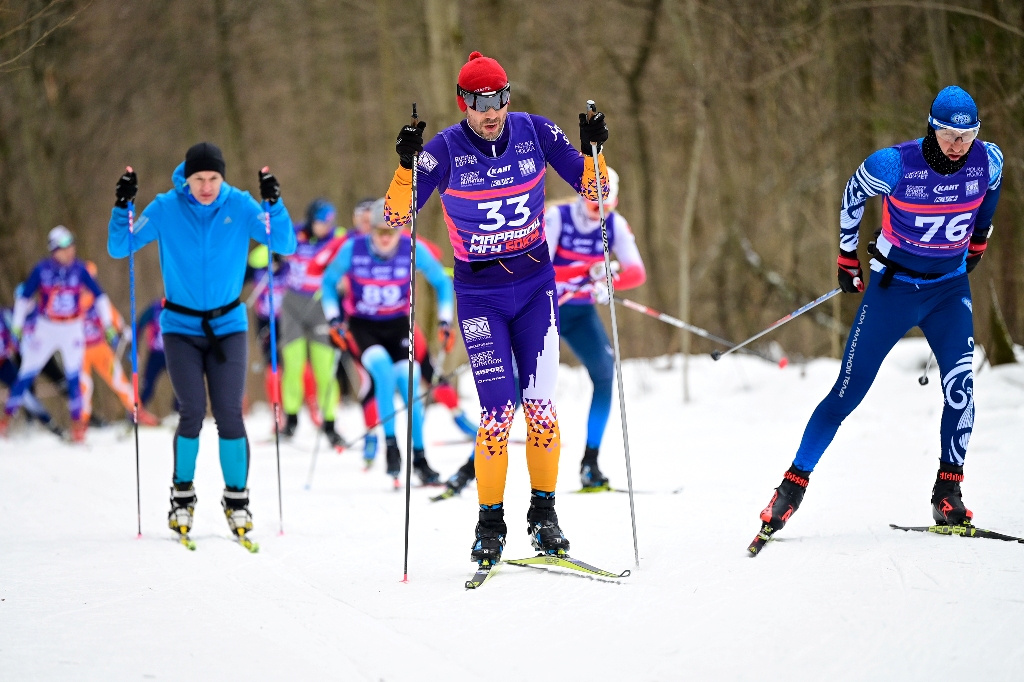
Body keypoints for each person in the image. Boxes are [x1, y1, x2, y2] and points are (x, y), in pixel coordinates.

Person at [383, 51, 611, 567]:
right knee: (496, 414)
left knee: (541, 408)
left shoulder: (535, 131)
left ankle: (544, 516)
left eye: (501, 99)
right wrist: (404, 166)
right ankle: (490, 523)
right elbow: (398, 217)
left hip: (535, 289)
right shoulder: (443, 149)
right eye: (482, 102)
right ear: (463, 102)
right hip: (481, 296)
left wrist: (596, 150)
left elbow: (594, 188)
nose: (493, 112)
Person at [752, 86, 1003, 552]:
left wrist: (980, 237)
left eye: (967, 135)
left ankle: (947, 492)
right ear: (932, 126)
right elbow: (851, 196)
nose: (958, 145)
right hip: (893, 291)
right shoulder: (893, 165)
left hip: (948, 291)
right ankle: (791, 487)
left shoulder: (987, 160)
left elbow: (990, 193)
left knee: (961, 387)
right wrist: (848, 257)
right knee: (847, 392)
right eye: (949, 134)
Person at [107, 142, 296, 546]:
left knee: (229, 413)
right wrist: (121, 205)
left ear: (222, 178)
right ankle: (182, 495)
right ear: (187, 178)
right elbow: (120, 246)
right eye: (199, 179)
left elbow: (285, 244)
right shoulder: (164, 208)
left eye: (213, 178)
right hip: (180, 328)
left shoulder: (242, 206)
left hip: (228, 326)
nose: (206, 186)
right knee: (190, 410)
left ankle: (237, 499)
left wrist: (274, 203)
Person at [320, 198, 454, 485]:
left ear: (401, 230)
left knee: (411, 379)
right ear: (370, 228)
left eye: (391, 232)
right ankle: (391, 447)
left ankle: (420, 458)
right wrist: (334, 319)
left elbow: (442, 282)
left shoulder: (412, 247)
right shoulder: (352, 249)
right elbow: (328, 283)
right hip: (362, 326)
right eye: (379, 230)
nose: (384, 238)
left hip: (398, 325)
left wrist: (445, 319)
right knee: (381, 370)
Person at [546, 167, 646, 490]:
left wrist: (609, 278)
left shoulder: (614, 225)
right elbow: (538, 269)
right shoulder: (558, 217)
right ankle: (474, 465)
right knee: (522, 386)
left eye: (607, 203)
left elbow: (637, 272)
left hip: (579, 314)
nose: (600, 210)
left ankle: (590, 462)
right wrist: (572, 280)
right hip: (546, 312)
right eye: (594, 203)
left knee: (605, 373)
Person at [0, 227, 115, 443]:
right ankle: (5, 421)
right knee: (26, 373)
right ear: (54, 251)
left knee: (73, 375)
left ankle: (77, 426)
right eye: (64, 248)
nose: (69, 251)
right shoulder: (42, 269)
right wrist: (16, 327)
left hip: (72, 327)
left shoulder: (79, 269)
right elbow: (24, 298)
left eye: (71, 246)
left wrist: (108, 325)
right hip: (46, 328)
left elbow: (99, 296)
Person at [279, 198, 347, 447]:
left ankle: (330, 424)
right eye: (320, 222)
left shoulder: (337, 237)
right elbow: (259, 257)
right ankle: (291, 420)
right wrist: (274, 256)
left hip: (320, 305)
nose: (325, 227)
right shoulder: (294, 233)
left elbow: (351, 254)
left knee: (325, 367)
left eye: (329, 222)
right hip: (293, 304)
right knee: (293, 365)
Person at [79, 263, 160, 428]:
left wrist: (123, 331)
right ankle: (81, 423)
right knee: (84, 387)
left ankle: (137, 411)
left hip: (100, 348)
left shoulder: (99, 300)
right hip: (79, 352)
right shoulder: (72, 300)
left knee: (119, 380)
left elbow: (113, 318)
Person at [0, 306, 64, 439]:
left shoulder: (5, 315)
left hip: (3, 363)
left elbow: (21, 321)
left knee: (23, 393)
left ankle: (51, 425)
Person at [138, 298, 171, 412]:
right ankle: (137, 412)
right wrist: (135, 346)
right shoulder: (155, 309)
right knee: (148, 384)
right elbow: (140, 324)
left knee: (183, 383)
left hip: (173, 354)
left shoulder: (179, 308)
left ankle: (178, 411)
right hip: (155, 354)